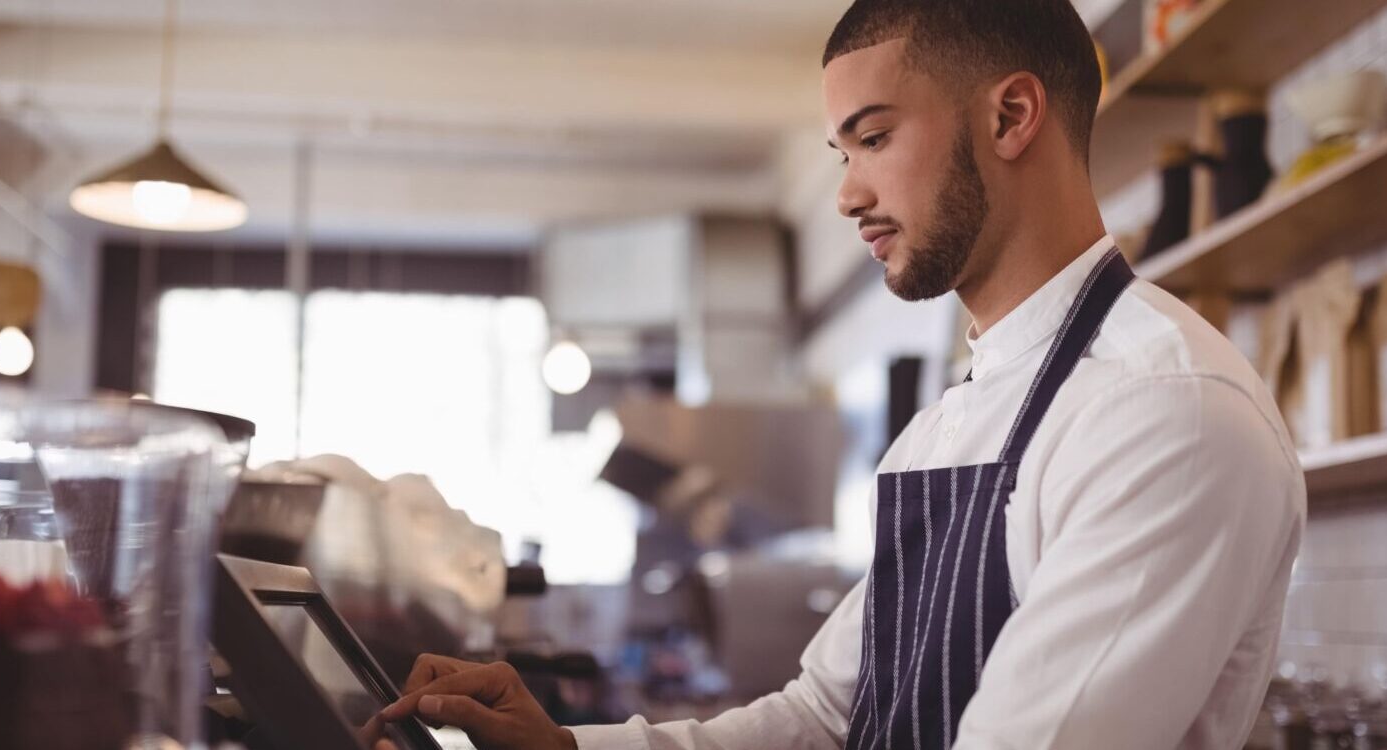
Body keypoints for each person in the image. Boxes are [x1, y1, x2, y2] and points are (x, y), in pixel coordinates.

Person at [370, 0, 1305, 747]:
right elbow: (823, 719)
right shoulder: (949, 425)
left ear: (1012, 115)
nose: (849, 194)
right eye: (842, 152)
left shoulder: (1164, 412)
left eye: (875, 137)